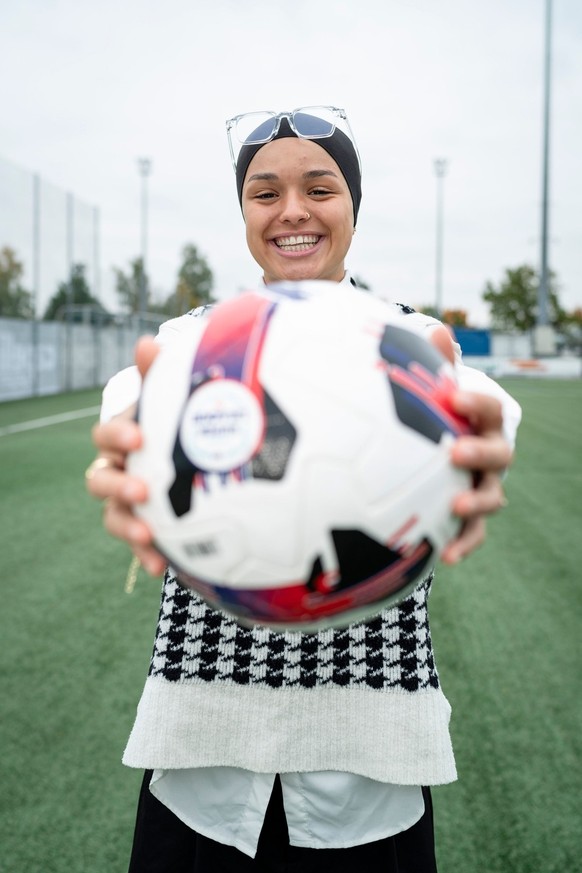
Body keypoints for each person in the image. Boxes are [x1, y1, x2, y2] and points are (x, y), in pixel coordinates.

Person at [86, 107, 521, 873]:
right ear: (244, 213)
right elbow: (131, 400)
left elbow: (485, 412)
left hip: (371, 780)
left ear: (353, 205)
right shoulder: (195, 343)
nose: (292, 211)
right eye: (264, 193)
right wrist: (124, 451)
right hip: (199, 774)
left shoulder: (411, 345)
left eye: (320, 187)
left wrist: (482, 446)